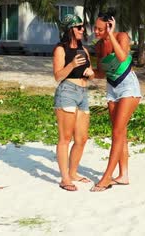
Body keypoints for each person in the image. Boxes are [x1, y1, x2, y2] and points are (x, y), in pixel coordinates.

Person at [90, 13, 142, 192]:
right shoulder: (98, 46)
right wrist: (85, 71)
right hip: (112, 87)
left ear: (110, 26)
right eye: (95, 28)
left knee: (117, 132)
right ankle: (123, 175)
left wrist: (111, 35)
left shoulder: (122, 37)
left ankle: (106, 178)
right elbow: (102, 73)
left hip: (128, 86)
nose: (95, 31)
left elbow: (121, 57)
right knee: (121, 133)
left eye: (100, 28)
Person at [52, 14, 95, 191]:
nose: (82, 30)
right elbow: (57, 76)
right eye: (78, 27)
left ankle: (73, 172)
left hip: (83, 93)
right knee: (65, 138)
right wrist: (71, 65)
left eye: (82, 27)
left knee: (82, 138)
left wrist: (90, 74)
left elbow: (90, 71)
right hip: (67, 92)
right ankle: (65, 179)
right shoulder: (60, 50)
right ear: (70, 29)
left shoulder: (83, 50)